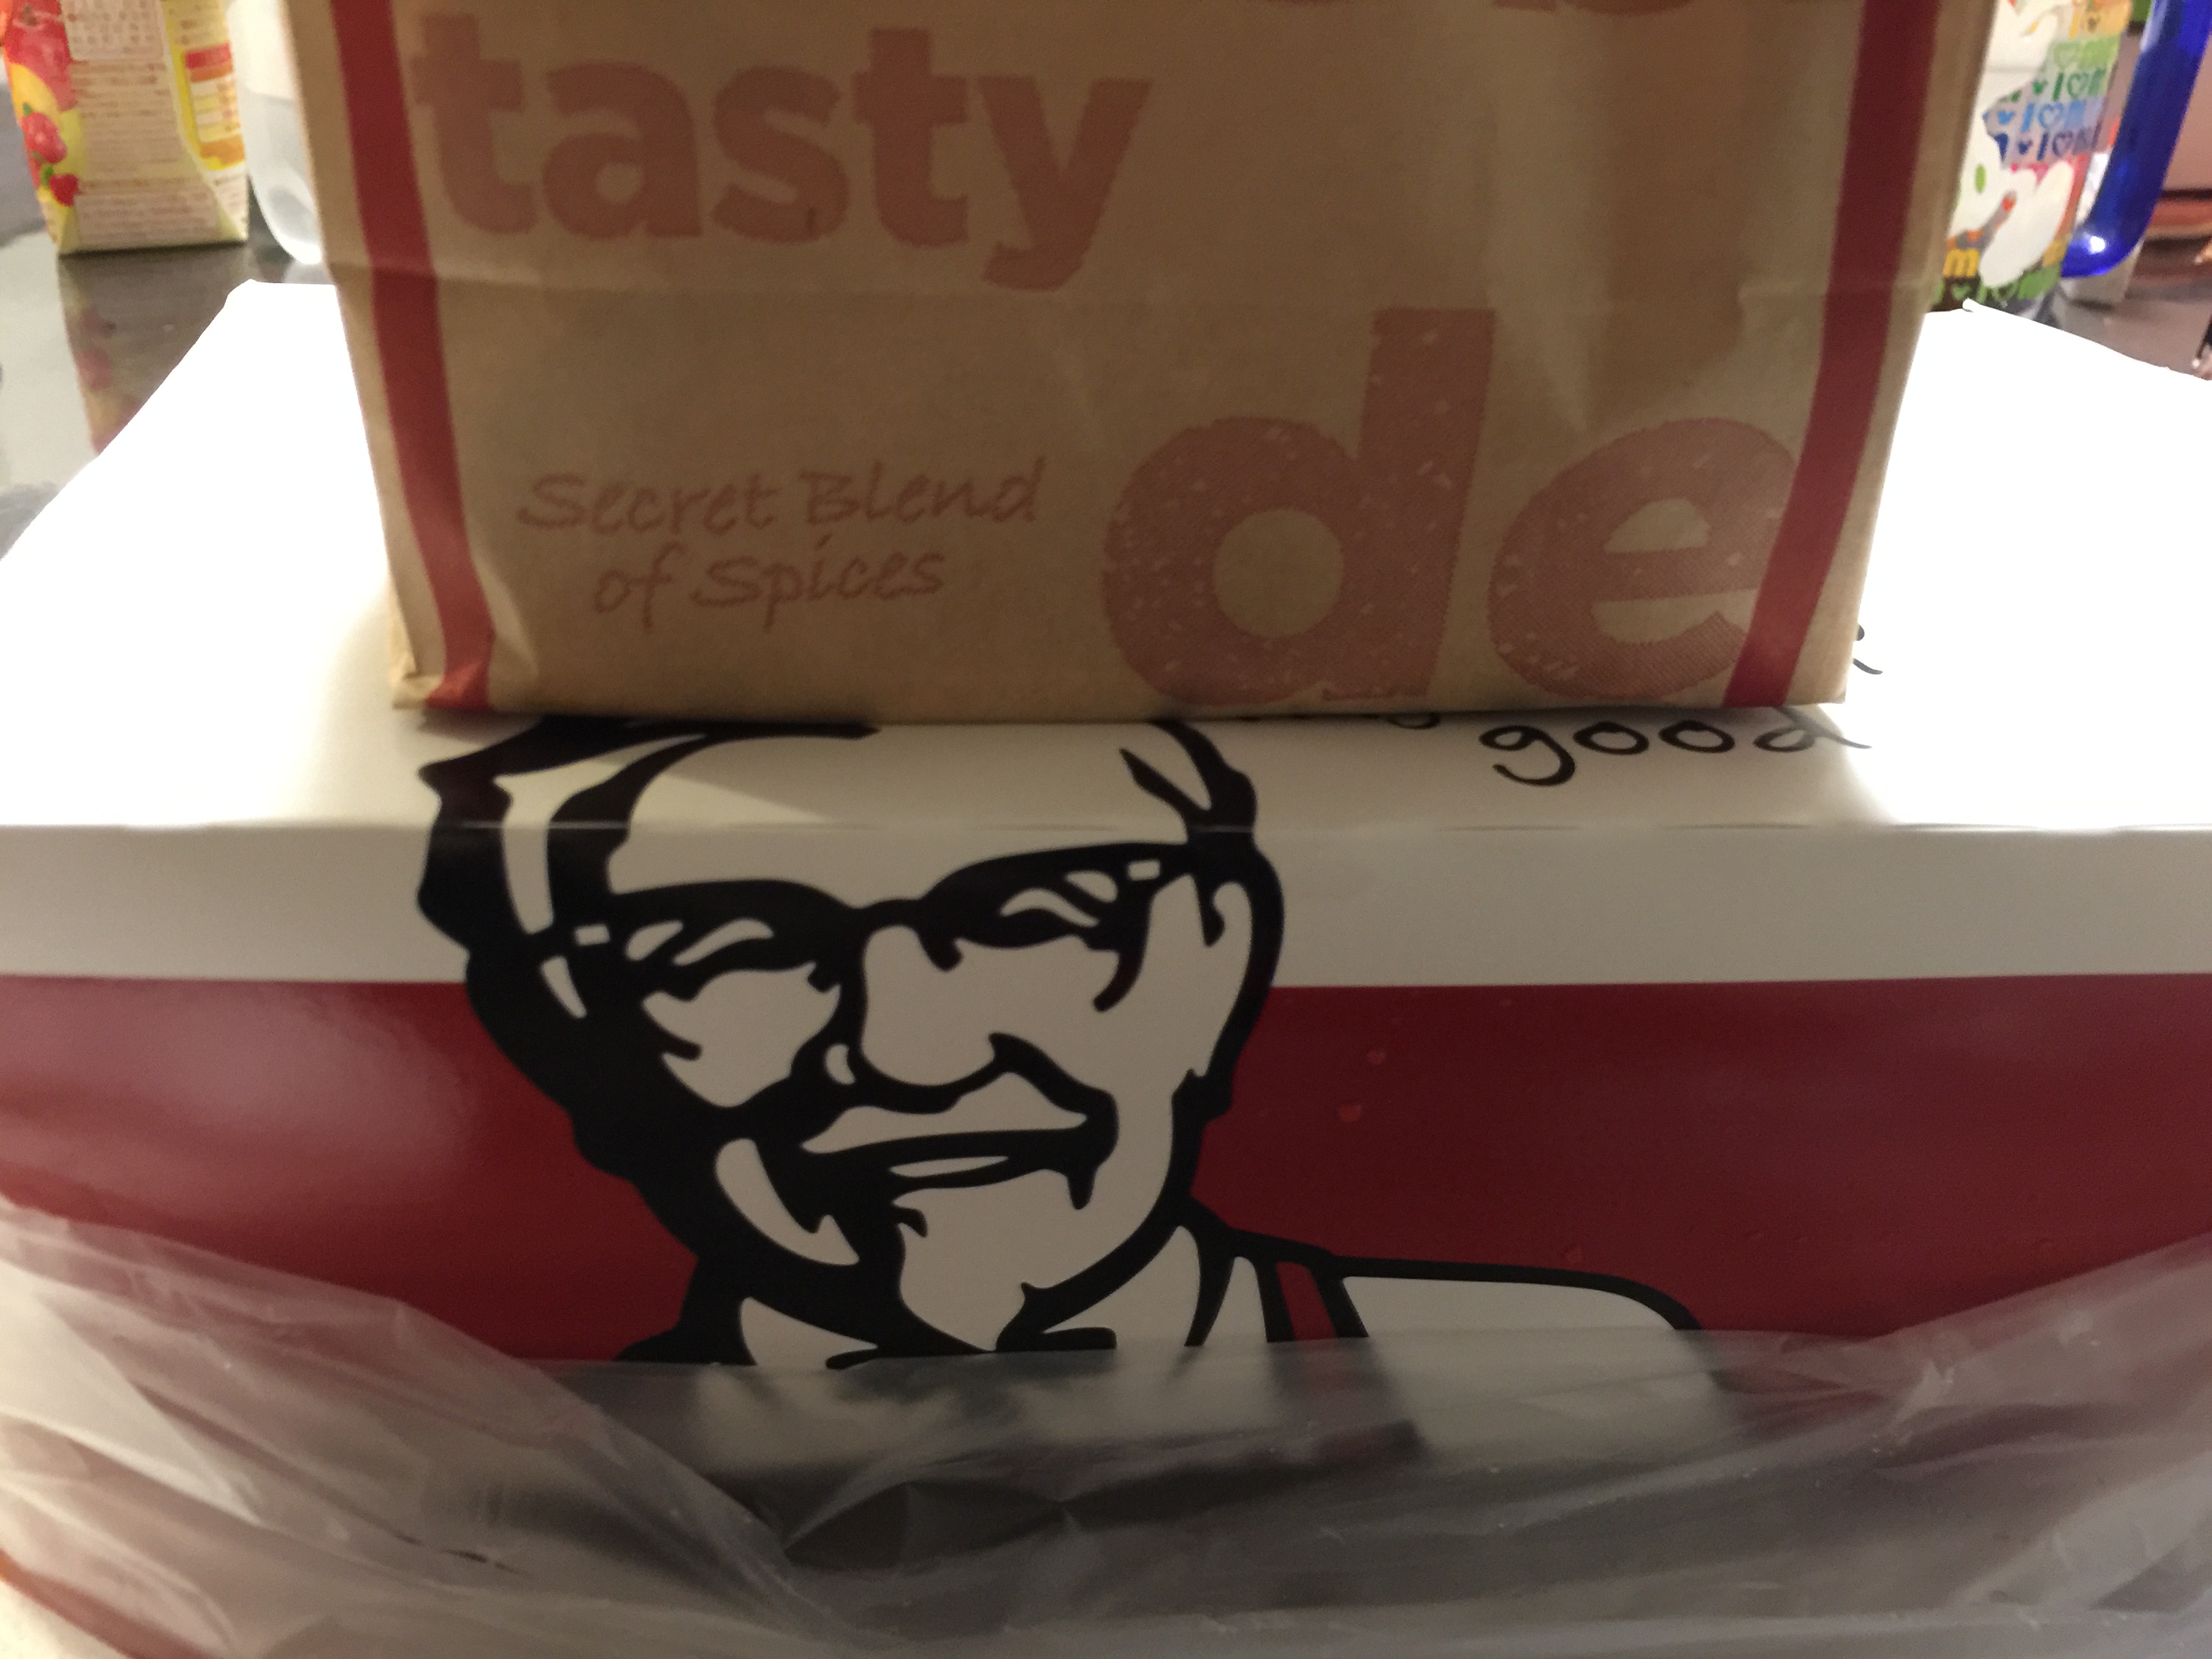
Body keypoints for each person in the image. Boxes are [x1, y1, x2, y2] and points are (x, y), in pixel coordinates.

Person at [419, 718, 1692, 1366]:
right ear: (568, 1044)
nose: (914, 1059)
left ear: (1219, 971)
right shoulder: (487, 1474)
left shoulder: (1575, 1382)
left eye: (1037, 923)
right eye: (730, 955)